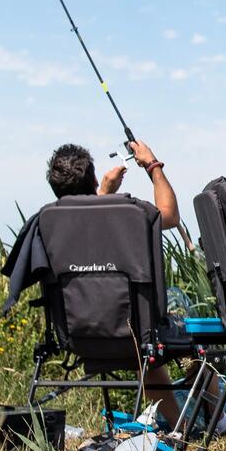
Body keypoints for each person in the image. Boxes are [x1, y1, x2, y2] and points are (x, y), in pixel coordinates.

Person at [42, 140, 189, 427]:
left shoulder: (47, 221)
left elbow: (86, 218)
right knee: (182, 324)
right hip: (136, 334)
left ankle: (180, 424)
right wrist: (152, 165)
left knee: (140, 335)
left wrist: (102, 196)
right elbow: (169, 215)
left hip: (76, 334)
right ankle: (214, 421)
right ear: (94, 178)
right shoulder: (128, 212)